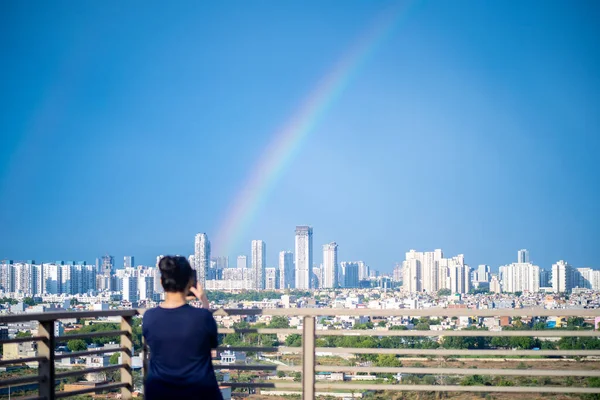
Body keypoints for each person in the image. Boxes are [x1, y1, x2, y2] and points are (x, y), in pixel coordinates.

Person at [143, 255, 223, 400]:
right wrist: (204, 301)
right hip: (199, 392)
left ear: (162, 282)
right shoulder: (202, 318)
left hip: (159, 392)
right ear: (189, 283)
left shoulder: (149, 317)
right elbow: (211, 345)